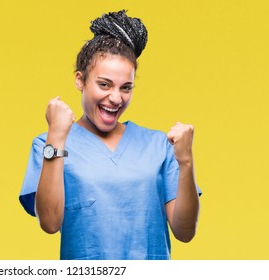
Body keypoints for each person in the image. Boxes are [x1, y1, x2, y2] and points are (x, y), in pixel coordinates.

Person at [19, 10, 201, 260]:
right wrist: (57, 138)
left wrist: (186, 162)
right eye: (104, 84)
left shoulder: (159, 145)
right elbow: (49, 223)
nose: (116, 98)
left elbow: (185, 231)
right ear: (80, 80)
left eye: (126, 88)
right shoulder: (48, 143)